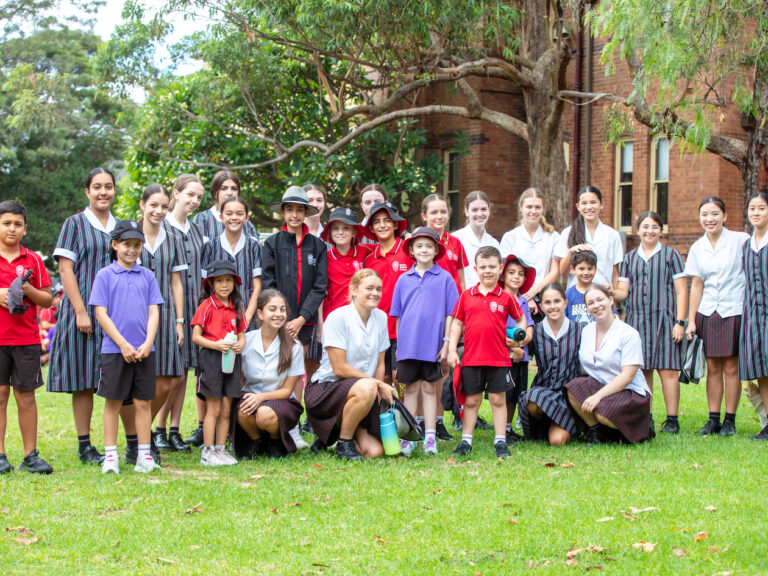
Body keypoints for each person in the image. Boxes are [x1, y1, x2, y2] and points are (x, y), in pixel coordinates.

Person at [48, 167, 119, 464]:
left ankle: (125, 443)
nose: (103, 192)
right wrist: (80, 311)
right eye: (97, 187)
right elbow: (65, 269)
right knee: (84, 379)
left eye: (109, 186)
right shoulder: (74, 224)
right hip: (84, 311)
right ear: (87, 191)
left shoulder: (120, 226)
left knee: (117, 379)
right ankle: (84, 446)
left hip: (116, 312)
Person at [89, 220, 164, 474]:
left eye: (136, 245)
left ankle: (144, 454)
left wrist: (148, 343)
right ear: (115, 245)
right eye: (126, 244)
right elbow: (101, 313)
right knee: (113, 402)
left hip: (144, 351)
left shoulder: (148, 276)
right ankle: (111, 457)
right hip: (114, 351)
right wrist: (122, 344)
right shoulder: (105, 275)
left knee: (143, 403)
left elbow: (153, 311)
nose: (131, 250)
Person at [305, 269, 395, 460]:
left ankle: (333, 433)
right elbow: (339, 368)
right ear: (353, 290)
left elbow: (380, 364)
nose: (375, 293)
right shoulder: (338, 317)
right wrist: (378, 384)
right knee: (367, 387)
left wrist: (377, 393)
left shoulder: (381, 318)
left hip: (363, 391)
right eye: (369, 288)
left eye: (378, 289)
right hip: (326, 389)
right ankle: (344, 443)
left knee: (375, 453)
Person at [262, 186, 328, 449]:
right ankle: (276, 422)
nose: (295, 215)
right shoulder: (272, 243)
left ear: (305, 213)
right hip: (277, 320)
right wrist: (281, 316)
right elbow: (269, 281)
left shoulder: (318, 245)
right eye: (290, 209)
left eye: (299, 210)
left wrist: (301, 317)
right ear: (283, 213)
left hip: (306, 321)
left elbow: (320, 286)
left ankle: (295, 426)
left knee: (301, 371)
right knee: (278, 370)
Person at [613, 212, 687, 434]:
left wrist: (680, 322)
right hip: (637, 320)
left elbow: (682, 291)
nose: (649, 231)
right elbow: (623, 292)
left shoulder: (671, 256)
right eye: (645, 227)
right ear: (637, 230)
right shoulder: (629, 258)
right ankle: (648, 417)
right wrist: (608, 292)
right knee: (643, 370)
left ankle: (672, 420)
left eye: (654, 227)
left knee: (668, 370)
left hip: (665, 319)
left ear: (661, 231)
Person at [447, 246, 525, 459]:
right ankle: (466, 441)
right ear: (475, 268)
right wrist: (453, 349)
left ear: (500, 268)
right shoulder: (466, 295)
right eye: (483, 267)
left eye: (492, 266)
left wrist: (519, 339)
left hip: (499, 359)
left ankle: (500, 441)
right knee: (471, 400)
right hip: (472, 359)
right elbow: (456, 324)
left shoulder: (506, 298)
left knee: (497, 400)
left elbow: (520, 319)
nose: (488, 271)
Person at [390, 227, 459, 456]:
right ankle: (410, 437)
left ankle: (430, 437)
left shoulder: (445, 278)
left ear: (436, 250)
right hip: (409, 346)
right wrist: (400, 346)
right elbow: (399, 316)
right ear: (411, 250)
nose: (424, 250)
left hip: (433, 344)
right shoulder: (403, 279)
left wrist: (447, 342)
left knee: (430, 389)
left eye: (429, 246)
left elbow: (451, 313)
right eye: (419, 246)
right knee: (410, 389)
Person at [684, 196, 749, 436]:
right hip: (707, 311)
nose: (709, 219)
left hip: (734, 309)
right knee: (712, 368)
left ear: (725, 216)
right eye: (704, 214)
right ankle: (713, 419)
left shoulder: (741, 240)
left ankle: (729, 420)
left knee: (731, 367)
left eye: (714, 214)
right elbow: (697, 285)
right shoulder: (697, 247)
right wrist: (691, 320)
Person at [0, 200, 54, 474]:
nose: (12, 228)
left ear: (25, 229)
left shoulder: (32, 259)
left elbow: (47, 300)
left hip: (26, 339)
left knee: (26, 396)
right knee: (0, 395)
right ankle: (0, 456)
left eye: (17, 224)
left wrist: (27, 290)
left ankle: (30, 455)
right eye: (6, 223)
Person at [136, 185, 188, 453]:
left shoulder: (174, 239)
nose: (158, 211)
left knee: (167, 381)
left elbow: (176, 283)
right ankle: (139, 440)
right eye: (153, 205)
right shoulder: (130, 235)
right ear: (142, 205)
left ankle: (141, 429)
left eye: (164, 206)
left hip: (166, 314)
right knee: (140, 377)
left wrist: (179, 321)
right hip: (134, 314)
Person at [566, 284, 652, 445]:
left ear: (611, 300)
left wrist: (597, 396)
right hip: (602, 385)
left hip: (629, 391)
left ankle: (636, 428)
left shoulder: (628, 333)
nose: (596, 305)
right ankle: (597, 432)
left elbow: (628, 375)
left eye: (600, 300)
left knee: (604, 413)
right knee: (573, 388)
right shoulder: (587, 331)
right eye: (591, 303)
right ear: (586, 308)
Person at [161, 174, 206, 451]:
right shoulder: (161, 226)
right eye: (189, 194)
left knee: (185, 371)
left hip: (194, 307)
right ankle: (158, 429)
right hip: (167, 308)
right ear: (175, 193)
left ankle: (174, 429)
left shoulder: (196, 230)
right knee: (169, 374)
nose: (194, 201)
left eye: (199, 197)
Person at [235, 290, 306, 458]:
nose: (278, 314)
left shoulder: (294, 345)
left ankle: (275, 441)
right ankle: (258, 441)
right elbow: (241, 380)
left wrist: (260, 398)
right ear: (260, 313)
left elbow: (287, 391)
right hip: (250, 395)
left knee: (264, 414)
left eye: (282, 310)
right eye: (272, 309)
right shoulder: (247, 341)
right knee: (243, 411)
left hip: (280, 399)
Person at [191, 260, 248, 466]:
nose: (224, 285)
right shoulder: (206, 306)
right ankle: (208, 451)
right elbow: (196, 337)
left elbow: (242, 335)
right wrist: (217, 345)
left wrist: (240, 345)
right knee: (213, 409)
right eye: (219, 281)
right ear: (211, 284)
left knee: (226, 409)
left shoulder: (236, 308)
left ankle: (221, 449)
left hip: (232, 360)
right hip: (212, 359)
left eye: (228, 281)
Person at [518, 284, 582, 445]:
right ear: (541, 306)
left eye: (557, 301)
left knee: (557, 441)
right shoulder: (536, 331)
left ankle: (570, 423)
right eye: (547, 302)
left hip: (568, 396)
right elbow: (522, 355)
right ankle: (546, 425)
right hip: (543, 391)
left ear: (565, 303)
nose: (552, 306)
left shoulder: (580, 330)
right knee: (532, 398)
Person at [363, 201, 413, 388]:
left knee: (399, 379)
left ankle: (404, 417)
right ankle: (382, 417)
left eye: (387, 220)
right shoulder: (369, 258)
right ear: (372, 228)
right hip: (377, 328)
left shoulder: (408, 250)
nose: (382, 225)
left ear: (395, 224)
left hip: (403, 328)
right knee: (380, 379)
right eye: (376, 222)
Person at [200, 196, 262, 327]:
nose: (234, 217)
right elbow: (204, 286)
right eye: (229, 214)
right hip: (216, 321)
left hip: (248, 318)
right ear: (221, 217)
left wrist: (246, 319)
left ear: (246, 218)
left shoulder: (255, 247)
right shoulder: (210, 247)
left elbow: (257, 287)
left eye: (239, 214)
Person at [500, 188, 561, 317]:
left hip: (546, 301)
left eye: (537, 207)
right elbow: (506, 274)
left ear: (543, 209)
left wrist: (533, 292)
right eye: (529, 207)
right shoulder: (510, 237)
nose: (533, 211)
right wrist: (526, 297)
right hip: (516, 300)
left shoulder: (553, 237)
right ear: (521, 208)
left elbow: (555, 272)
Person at [555, 185, 623, 289]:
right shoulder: (568, 233)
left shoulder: (612, 235)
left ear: (601, 204)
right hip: (577, 296)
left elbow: (614, 272)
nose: (589, 207)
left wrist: (613, 296)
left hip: (603, 294)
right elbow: (563, 272)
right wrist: (571, 252)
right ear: (578, 207)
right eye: (584, 203)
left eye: (593, 202)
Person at [740, 191, 768, 441]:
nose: (756, 213)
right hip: (753, 316)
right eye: (752, 209)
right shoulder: (746, 245)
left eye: (761, 208)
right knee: (761, 370)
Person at [500, 255, 535, 443]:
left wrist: (521, 345)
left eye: (521, 274)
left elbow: (528, 327)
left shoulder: (523, 301)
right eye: (512, 273)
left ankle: (508, 427)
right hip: (504, 356)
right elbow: (498, 329)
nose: (516, 277)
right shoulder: (499, 299)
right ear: (503, 276)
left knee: (516, 394)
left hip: (522, 356)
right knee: (504, 394)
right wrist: (514, 348)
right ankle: (501, 430)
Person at [321, 207, 372, 321]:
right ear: (329, 232)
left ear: (354, 232)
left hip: (361, 316)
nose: (340, 232)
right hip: (334, 317)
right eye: (335, 228)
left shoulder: (366, 251)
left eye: (346, 228)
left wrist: (406, 236)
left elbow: (387, 248)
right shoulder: (324, 257)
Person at [421, 193, 468, 294]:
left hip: (453, 302)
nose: (439, 216)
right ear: (424, 216)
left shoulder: (456, 243)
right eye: (434, 212)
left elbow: (461, 281)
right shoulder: (417, 244)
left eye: (443, 212)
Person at [452, 191, 500, 289]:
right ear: (466, 211)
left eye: (483, 209)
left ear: (489, 210)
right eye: (474, 210)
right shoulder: (456, 239)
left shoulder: (494, 243)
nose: (479, 213)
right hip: (463, 298)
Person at [193, 170, 257, 241]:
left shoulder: (246, 223)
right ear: (214, 193)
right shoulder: (203, 219)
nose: (229, 193)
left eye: (234, 189)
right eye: (224, 188)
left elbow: (255, 250)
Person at [565, 250, 597, 331]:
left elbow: (611, 316)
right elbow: (563, 320)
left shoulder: (601, 292)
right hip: (574, 338)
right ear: (572, 269)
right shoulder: (568, 294)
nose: (586, 273)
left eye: (590, 268)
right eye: (581, 269)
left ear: (595, 269)